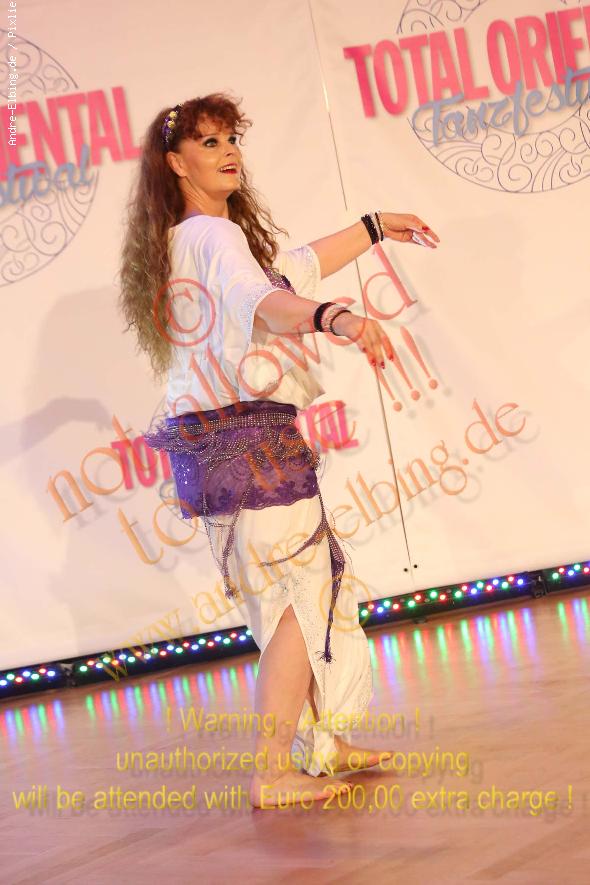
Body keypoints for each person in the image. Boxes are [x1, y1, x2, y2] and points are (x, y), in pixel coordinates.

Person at [118, 92, 439, 810]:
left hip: (220, 439)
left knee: (309, 584)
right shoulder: (212, 236)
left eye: (231, 138)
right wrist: (338, 318)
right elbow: (263, 300)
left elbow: (293, 268)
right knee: (299, 593)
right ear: (176, 163)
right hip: (246, 437)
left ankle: (320, 742)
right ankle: (271, 769)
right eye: (208, 142)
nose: (228, 151)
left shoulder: (189, 240)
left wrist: (373, 227)